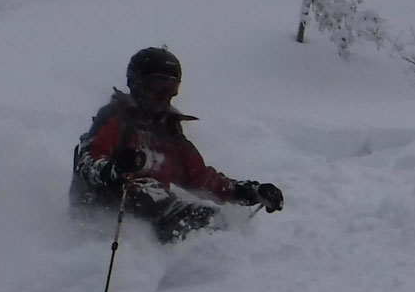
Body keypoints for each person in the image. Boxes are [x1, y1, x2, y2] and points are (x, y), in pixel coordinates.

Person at [71, 47, 284, 243]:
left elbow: (200, 177)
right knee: (174, 209)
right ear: (137, 85)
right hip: (106, 214)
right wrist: (114, 167)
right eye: (158, 88)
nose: (164, 98)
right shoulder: (116, 118)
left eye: (171, 90)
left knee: (212, 222)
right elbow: (87, 162)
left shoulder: (168, 131)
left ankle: (212, 268)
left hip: (157, 214)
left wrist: (248, 191)